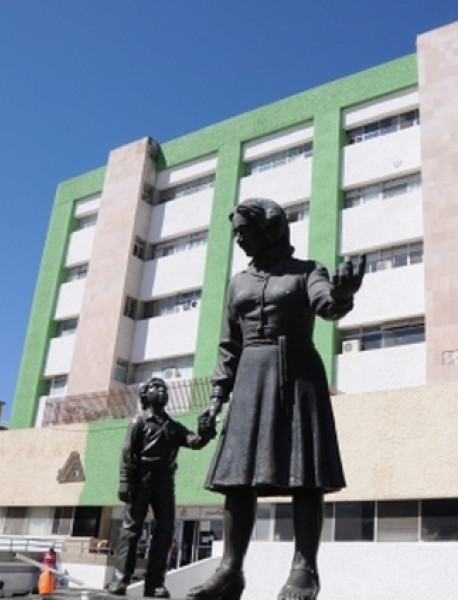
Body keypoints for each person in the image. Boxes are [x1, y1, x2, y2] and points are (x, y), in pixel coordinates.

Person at [187, 198, 365, 600]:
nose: (239, 239)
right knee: (238, 477)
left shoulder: (307, 271)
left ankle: (305, 569)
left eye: (244, 231)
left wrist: (343, 294)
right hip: (249, 377)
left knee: (305, 475)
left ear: (270, 230)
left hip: (297, 373)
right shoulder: (238, 283)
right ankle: (231, 570)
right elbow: (228, 344)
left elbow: (327, 304)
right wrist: (217, 397)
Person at [109, 377, 217, 599]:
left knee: (165, 531)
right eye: (155, 387)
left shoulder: (173, 426)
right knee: (131, 530)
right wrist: (125, 481)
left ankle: (155, 583)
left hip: (165, 481)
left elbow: (194, 441)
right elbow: (128, 453)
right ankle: (121, 579)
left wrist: (205, 431)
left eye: (164, 388)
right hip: (141, 479)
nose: (161, 391)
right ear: (144, 395)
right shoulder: (138, 422)